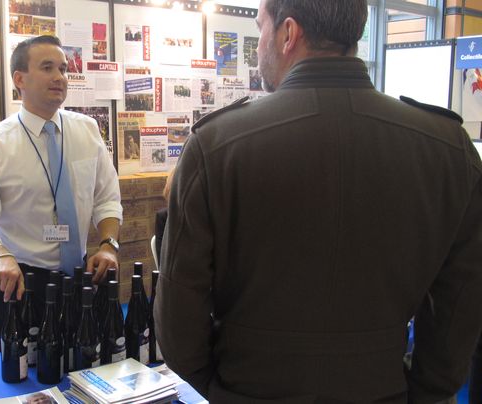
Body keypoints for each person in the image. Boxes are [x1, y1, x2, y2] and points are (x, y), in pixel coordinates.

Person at [155, 0, 482, 402]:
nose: (258, 48)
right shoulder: (448, 149)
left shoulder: (215, 147)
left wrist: (222, 385)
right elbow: (460, 308)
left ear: (288, 33)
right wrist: (422, 391)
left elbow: (177, 324)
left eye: (261, 30)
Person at [0, 35, 122, 353]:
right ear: (20, 79)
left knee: (89, 363)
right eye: (47, 68)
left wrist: (109, 245)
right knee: (25, 382)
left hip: (85, 275)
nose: (59, 77)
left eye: (63, 68)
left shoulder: (87, 130)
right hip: (24, 283)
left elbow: (107, 198)